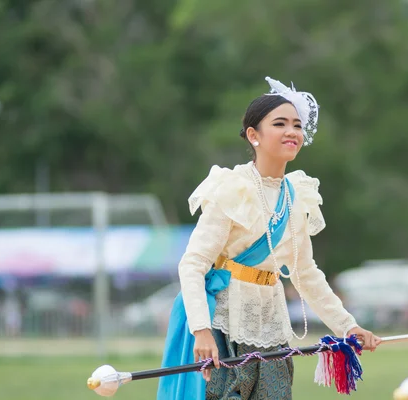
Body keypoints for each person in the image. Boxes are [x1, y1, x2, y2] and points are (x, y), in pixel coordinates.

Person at [157, 76, 382, 400]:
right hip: (223, 328)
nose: (292, 132)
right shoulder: (233, 189)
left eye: (296, 125)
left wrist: (348, 327)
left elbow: (305, 274)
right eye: (280, 124)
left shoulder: (297, 197)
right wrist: (201, 330)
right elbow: (193, 263)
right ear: (254, 135)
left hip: (270, 329)